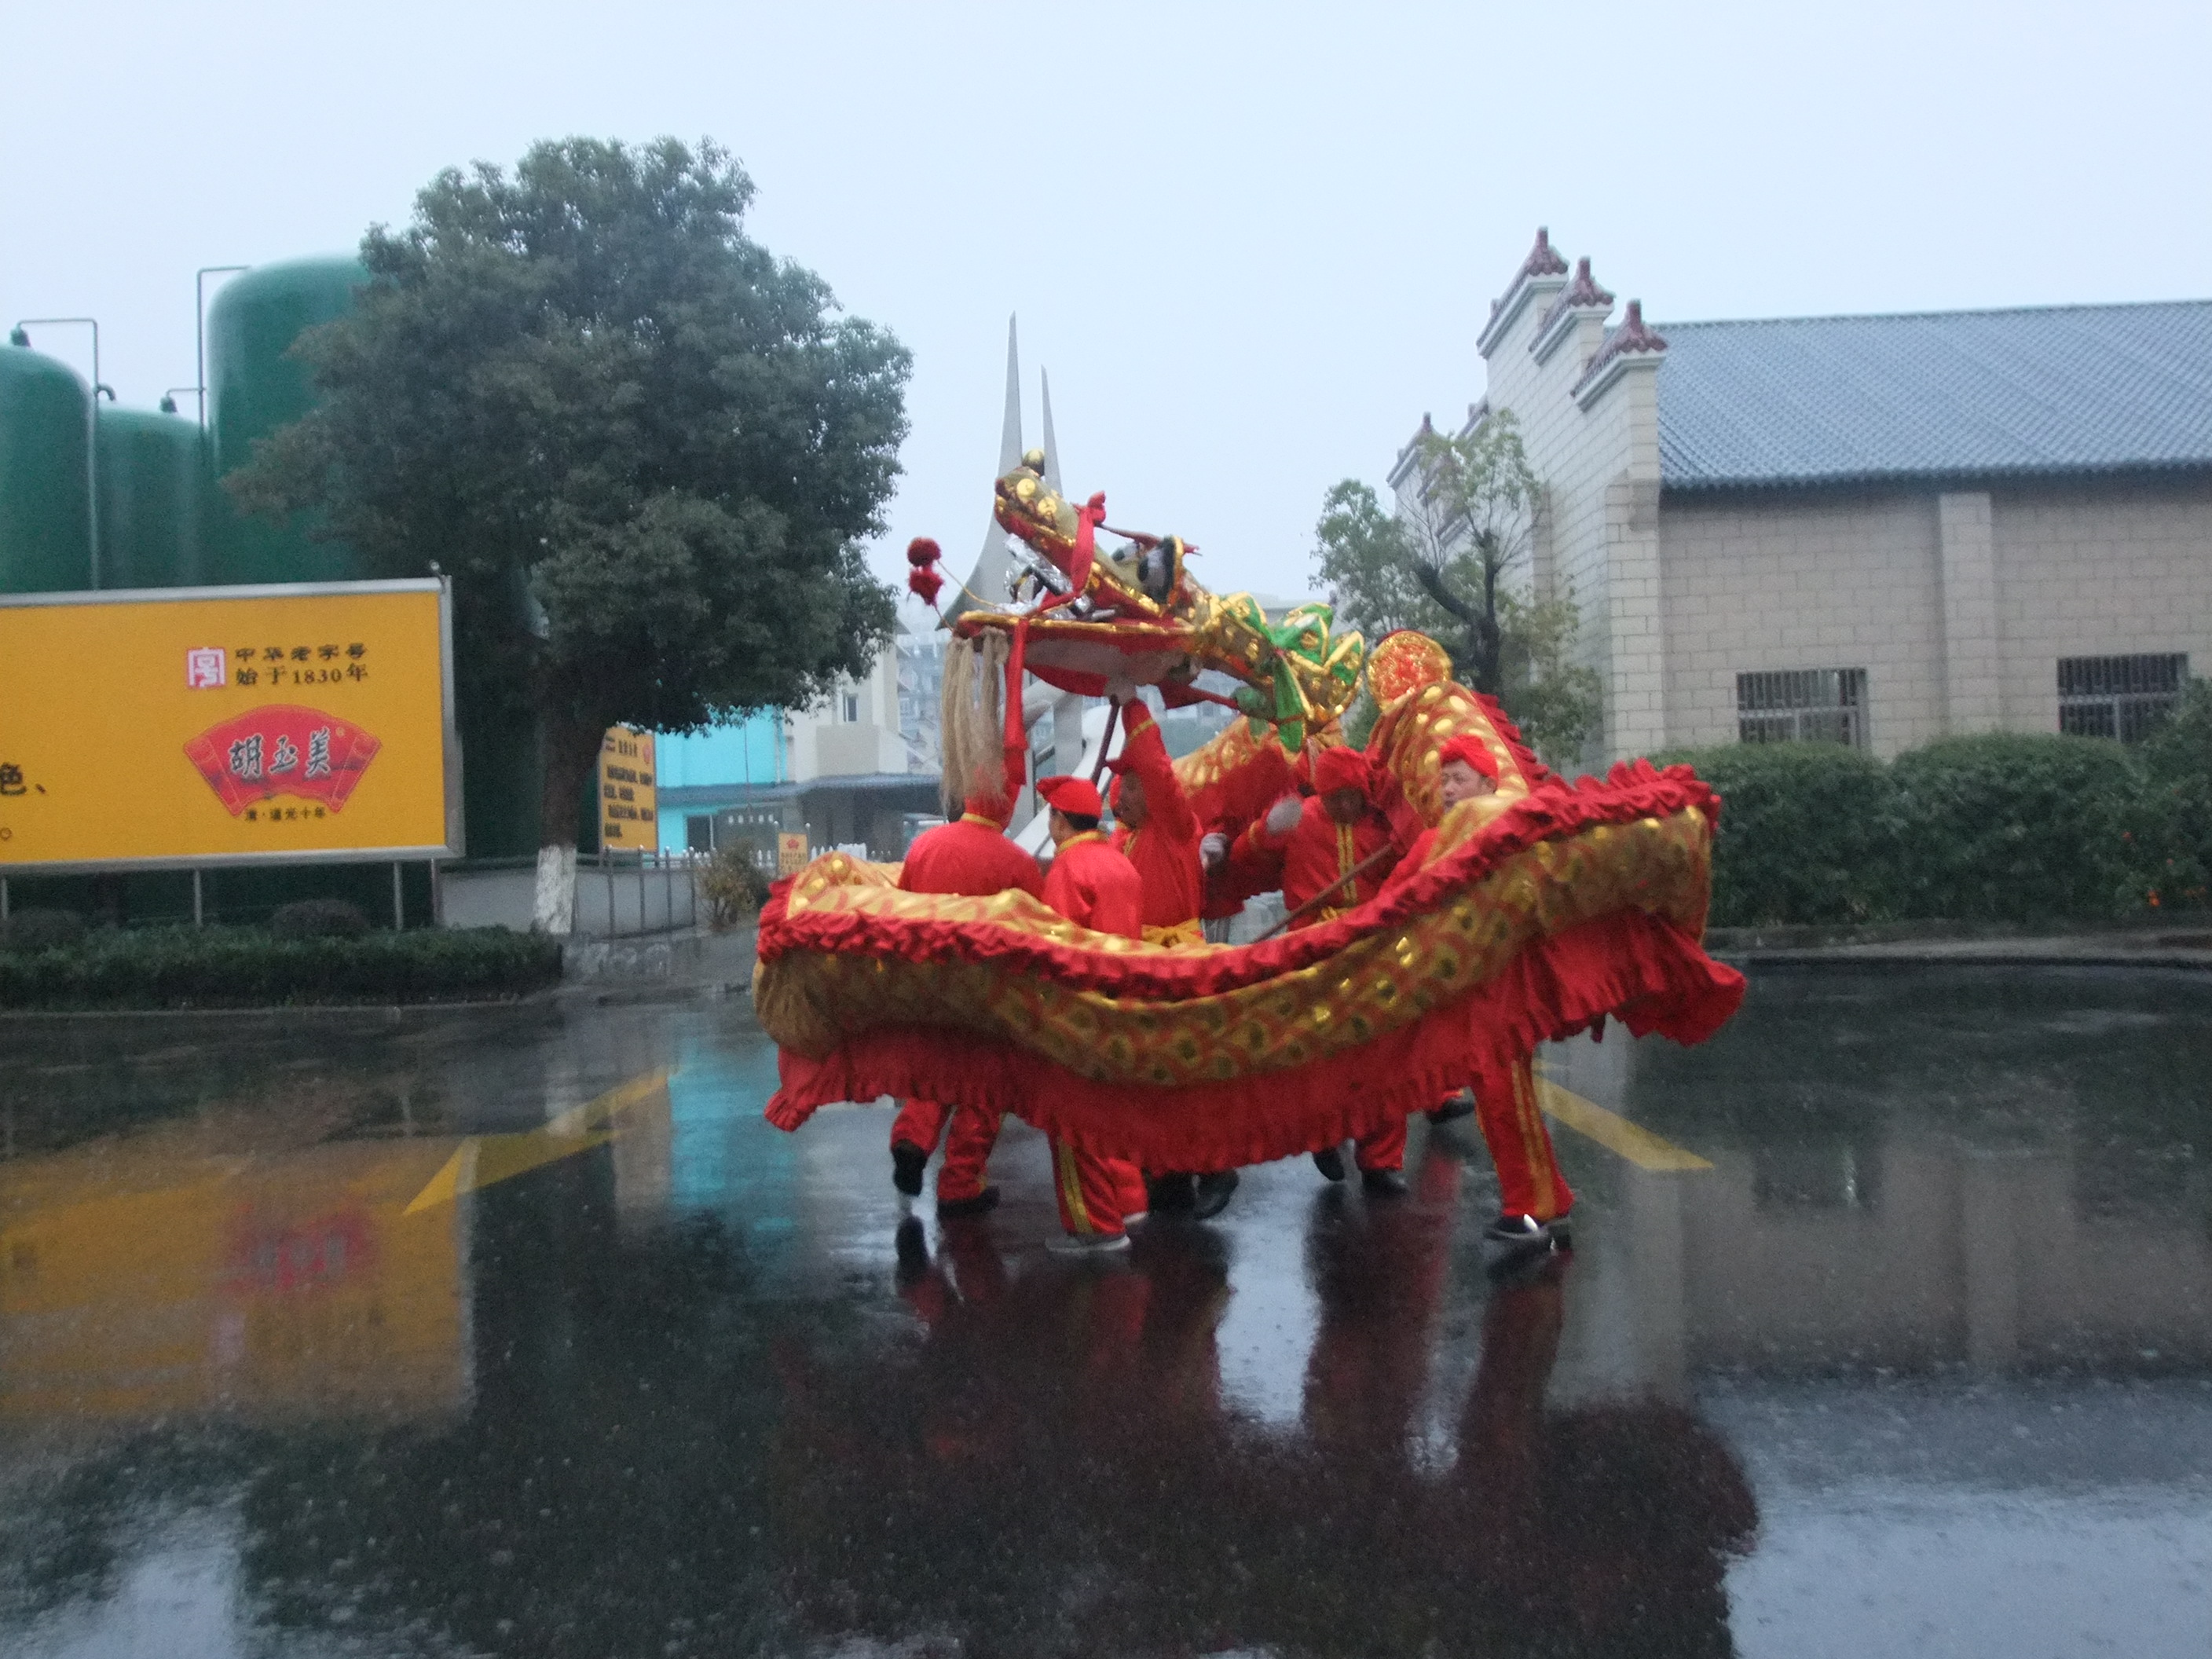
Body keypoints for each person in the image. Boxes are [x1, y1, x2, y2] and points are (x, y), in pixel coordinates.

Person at [1390, 734, 1577, 1259]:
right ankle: (1549, 1201)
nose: (1448, 789)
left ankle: (1530, 1207)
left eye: (1459, 779)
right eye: (1444, 780)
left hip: (1507, 987)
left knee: (1504, 1094)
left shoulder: (1508, 832)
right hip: (1466, 992)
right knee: (1501, 1096)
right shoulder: (1435, 842)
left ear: (1488, 784)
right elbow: (1393, 901)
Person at [1226, 745, 1414, 1194]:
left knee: (1383, 1053)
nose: (1343, 806)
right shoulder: (1300, 817)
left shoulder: (1386, 824)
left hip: (1373, 947)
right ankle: (1324, 1135)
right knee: (1319, 1052)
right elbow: (1243, 858)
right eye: (1334, 799)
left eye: (1350, 797)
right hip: (1312, 952)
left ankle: (1382, 1160)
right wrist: (1265, 830)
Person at [1105, 697, 1240, 1221]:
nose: (1123, 793)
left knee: (1189, 1070)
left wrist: (1133, 706)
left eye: (1131, 784)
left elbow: (1158, 770)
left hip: (1179, 961)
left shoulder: (1176, 827)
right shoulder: (1120, 842)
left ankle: (1216, 1166)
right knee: (1147, 1073)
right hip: (1138, 965)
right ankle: (1165, 1169)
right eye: (1122, 786)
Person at [887, 792, 1043, 1216]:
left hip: (932, 984)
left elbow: (901, 912)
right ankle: (960, 1182)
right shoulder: (1017, 861)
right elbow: (1039, 931)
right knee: (986, 1088)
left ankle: (912, 1138)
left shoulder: (924, 847)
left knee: (935, 1071)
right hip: (990, 992)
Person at [1035, 774, 1152, 1252]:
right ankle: (1129, 1202)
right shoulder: (1120, 862)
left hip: (1081, 1013)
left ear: (1060, 820)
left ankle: (1096, 1226)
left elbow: (1058, 952)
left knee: (1075, 1122)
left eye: (1051, 816)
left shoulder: (1068, 868)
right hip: (1125, 1006)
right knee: (1114, 1112)